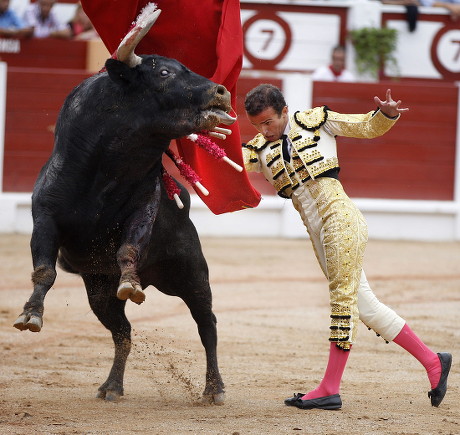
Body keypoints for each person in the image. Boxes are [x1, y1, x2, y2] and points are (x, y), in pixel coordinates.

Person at [242, 83, 452, 410]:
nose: (264, 130)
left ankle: (329, 388)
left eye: (268, 122)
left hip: (341, 219)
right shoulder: (258, 148)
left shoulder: (317, 120)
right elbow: (229, 164)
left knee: (342, 299)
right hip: (319, 236)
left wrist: (387, 114)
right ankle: (433, 361)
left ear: (284, 111)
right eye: (257, 125)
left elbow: (366, 125)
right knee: (366, 307)